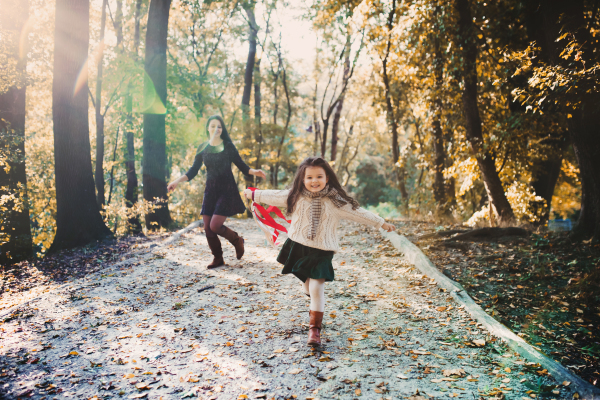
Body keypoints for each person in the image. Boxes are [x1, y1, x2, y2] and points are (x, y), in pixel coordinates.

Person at [244, 157, 395, 346]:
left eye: (319, 177)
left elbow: (359, 212)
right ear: (302, 179)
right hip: (299, 246)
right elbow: (275, 195)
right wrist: (254, 194)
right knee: (308, 287)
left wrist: (381, 222)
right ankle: (309, 292)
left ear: (327, 178)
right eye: (309, 177)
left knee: (316, 288)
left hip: (323, 250)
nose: (314, 181)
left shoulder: (335, 201)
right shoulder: (296, 195)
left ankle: (314, 331)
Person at [168, 115, 266, 268]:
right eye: (213, 126)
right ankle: (218, 258)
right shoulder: (202, 148)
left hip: (227, 190)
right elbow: (192, 171)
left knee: (215, 225)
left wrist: (255, 171)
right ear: (208, 128)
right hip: (210, 191)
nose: (216, 129)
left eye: (219, 126)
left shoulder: (228, 146)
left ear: (222, 129)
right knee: (208, 228)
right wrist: (176, 181)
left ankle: (236, 240)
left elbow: (242, 166)